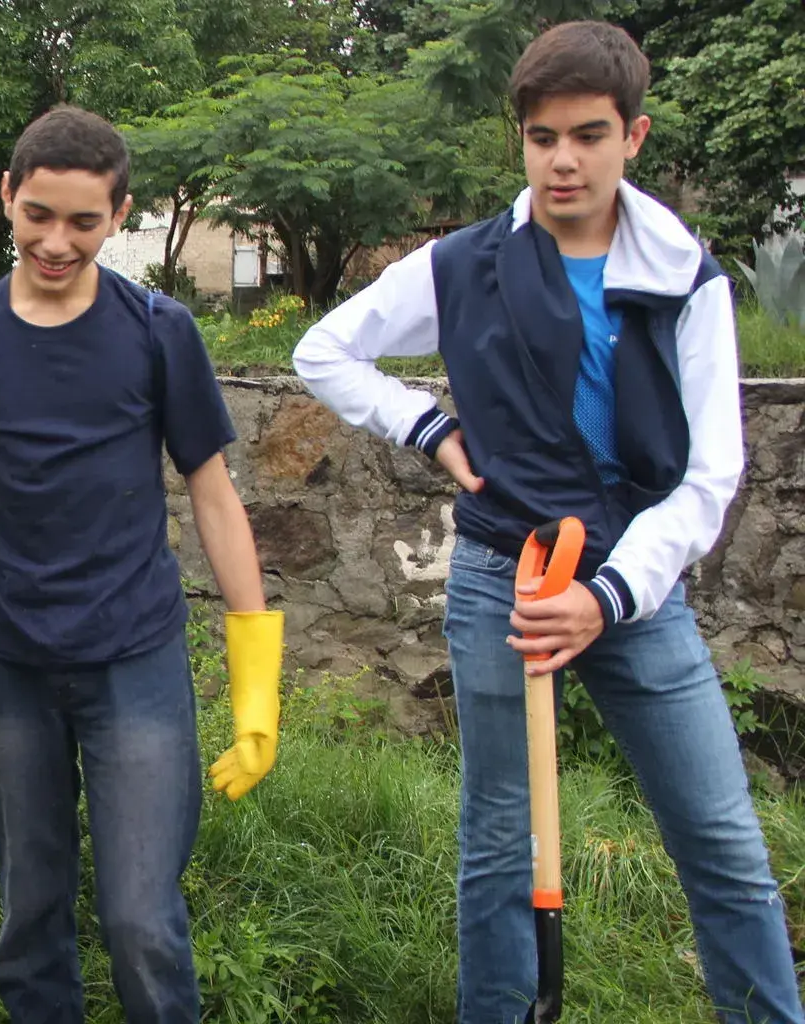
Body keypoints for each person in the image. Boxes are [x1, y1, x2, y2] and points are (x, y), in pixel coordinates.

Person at [292, 21, 804, 1024]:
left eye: (589, 135)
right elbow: (324, 351)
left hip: (634, 587)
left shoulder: (685, 278)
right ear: (521, 139)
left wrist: (606, 597)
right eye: (542, 137)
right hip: (506, 581)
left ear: (633, 136)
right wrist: (430, 427)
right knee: (499, 838)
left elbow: (710, 476)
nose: (564, 159)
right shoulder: (464, 264)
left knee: (721, 838)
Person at [0, 104, 285, 1024]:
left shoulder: (159, 331)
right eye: (38, 215)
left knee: (142, 921)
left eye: (84, 222)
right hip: (8, 660)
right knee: (30, 912)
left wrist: (257, 681)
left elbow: (215, 498)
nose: (56, 242)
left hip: (134, 658)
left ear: (120, 214)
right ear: (7, 195)